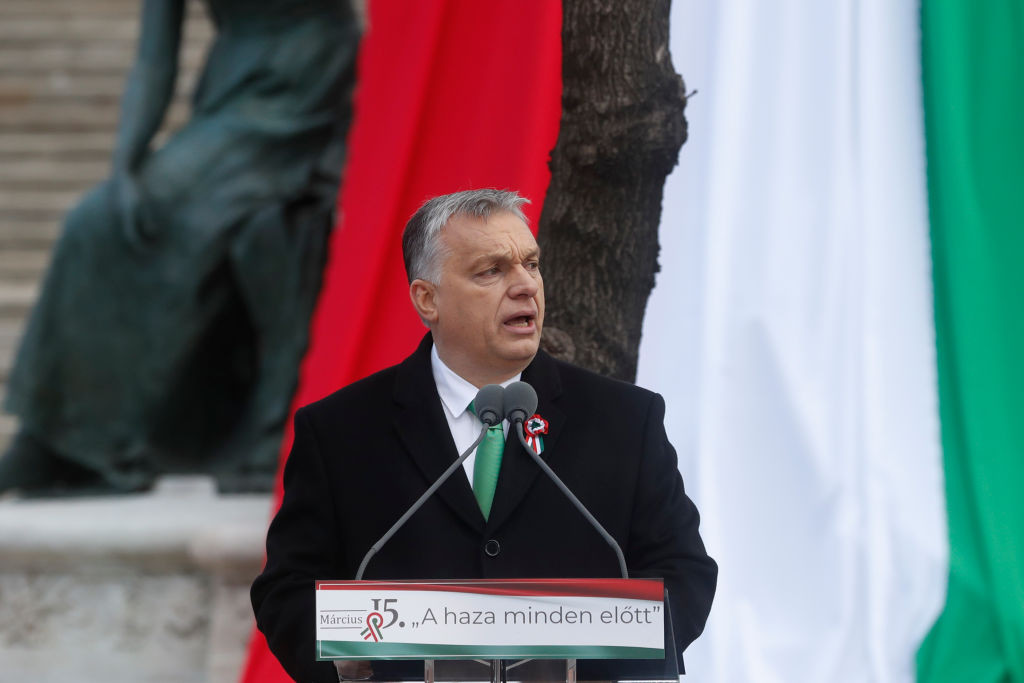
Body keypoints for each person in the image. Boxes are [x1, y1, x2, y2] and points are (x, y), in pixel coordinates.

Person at [251, 189, 717, 681]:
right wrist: (349, 652)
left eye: (531, 265)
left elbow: (683, 572)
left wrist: (609, 645)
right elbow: (286, 589)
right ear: (427, 299)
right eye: (491, 271)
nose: (525, 286)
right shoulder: (341, 430)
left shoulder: (624, 420)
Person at [0, 0, 360, 495]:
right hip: (230, 89)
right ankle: (58, 437)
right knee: (96, 219)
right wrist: (126, 162)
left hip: (308, 84)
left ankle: (76, 443)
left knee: (170, 219)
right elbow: (154, 57)